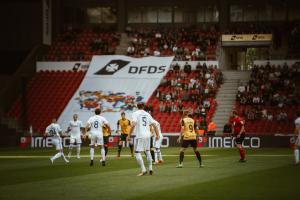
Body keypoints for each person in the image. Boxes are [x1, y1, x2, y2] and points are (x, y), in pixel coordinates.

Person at [127, 102, 159, 176]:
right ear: (144, 106)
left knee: (137, 152)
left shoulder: (135, 113)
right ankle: (151, 169)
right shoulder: (147, 114)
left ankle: (143, 170)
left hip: (140, 135)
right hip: (148, 135)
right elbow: (154, 125)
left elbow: (133, 124)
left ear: (137, 106)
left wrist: (129, 135)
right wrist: (157, 135)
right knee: (147, 151)